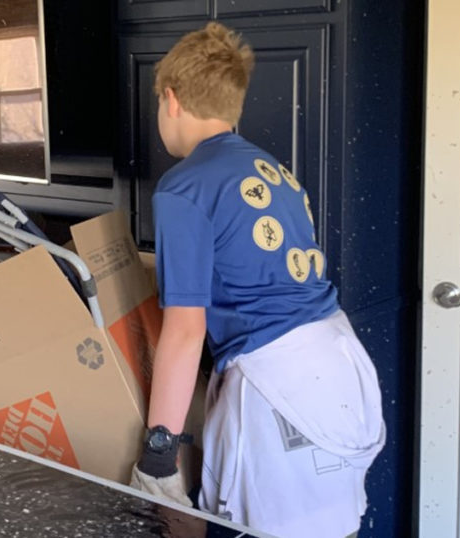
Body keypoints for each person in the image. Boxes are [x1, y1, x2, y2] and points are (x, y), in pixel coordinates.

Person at [129, 22, 385, 538]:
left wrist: (160, 451)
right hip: (338, 367)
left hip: (279, 386)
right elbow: (251, 267)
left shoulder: (184, 188)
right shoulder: (270, 170)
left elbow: (184, 330)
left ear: (171, 100)